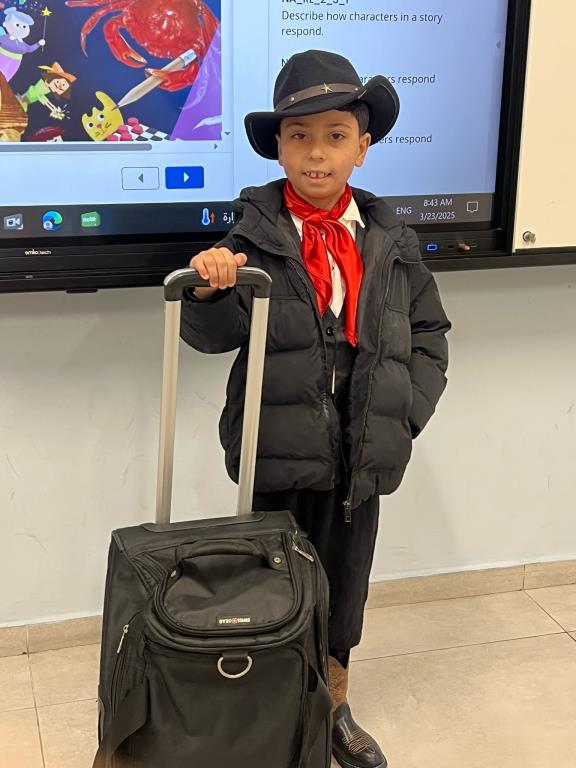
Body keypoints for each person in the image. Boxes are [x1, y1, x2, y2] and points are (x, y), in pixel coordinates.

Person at [181, 50, 451, 768]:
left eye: (335, 135)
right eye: (299, 136)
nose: (317, 153)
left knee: (343, 589)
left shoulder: (391, 242)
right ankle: (272, 714)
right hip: (276, 450)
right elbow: (212, 335)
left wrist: (404, 413)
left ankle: (333, 708)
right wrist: (210, 287)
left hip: (360, 454)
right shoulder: (252, 236)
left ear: (362, 147)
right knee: (271, 585)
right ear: (278, 147)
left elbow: (429, 332)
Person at [0, 8, 45, 82]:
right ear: (5, 24)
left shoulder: (22, 44)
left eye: (24, 26)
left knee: (7, 77)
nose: (21, 28)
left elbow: (30, 49)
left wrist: (38, 44)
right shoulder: (4, 38)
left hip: (16, 61)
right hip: (2, 56)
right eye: (17, 25)